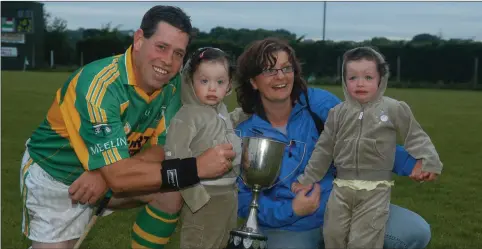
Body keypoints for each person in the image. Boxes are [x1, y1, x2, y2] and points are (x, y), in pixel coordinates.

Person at [20, 6, 235, 249]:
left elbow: (163, 146)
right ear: (139, 40)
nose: (168, 61)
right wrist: (194, 167)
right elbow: (120, 178)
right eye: (161, 47)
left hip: (108, 175)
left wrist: (106, 173)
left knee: (170, 191)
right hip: (57, 176)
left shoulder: (173, 86)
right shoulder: (100, 85)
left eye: (178, 53)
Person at [234, 37, 435, 249]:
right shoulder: (244, 134)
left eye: (286, 68)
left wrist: (410, 163)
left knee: (415, 231)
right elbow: (244, 201)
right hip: (288, 227)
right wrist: (292, 209)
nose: (281, 76)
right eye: (269, 70)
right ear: (253, 82)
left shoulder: (318, 104)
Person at [291, 46, 443, 249]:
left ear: (381, 79)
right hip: (341, 188)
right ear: (345, 80)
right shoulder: (337, 113)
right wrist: (308, 179)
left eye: (368, 77)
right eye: (352, 77)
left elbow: (415, 137)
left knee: (364, 241)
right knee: (333, 235)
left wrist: (429, 161)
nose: (360, 83)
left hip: (375, 190)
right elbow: (324, 150)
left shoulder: (393, 108)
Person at [164, 47, 242, 248]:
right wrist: (196, 198)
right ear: (190, 81)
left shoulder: (221, 111)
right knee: (200, 242)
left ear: (229, 85)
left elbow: (224, 132)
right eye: (204, 81)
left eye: (220, 82)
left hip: (228, 196)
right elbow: (175, 158)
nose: (212, 88)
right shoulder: (187, 116)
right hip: (205, 197)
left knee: (222, 242)